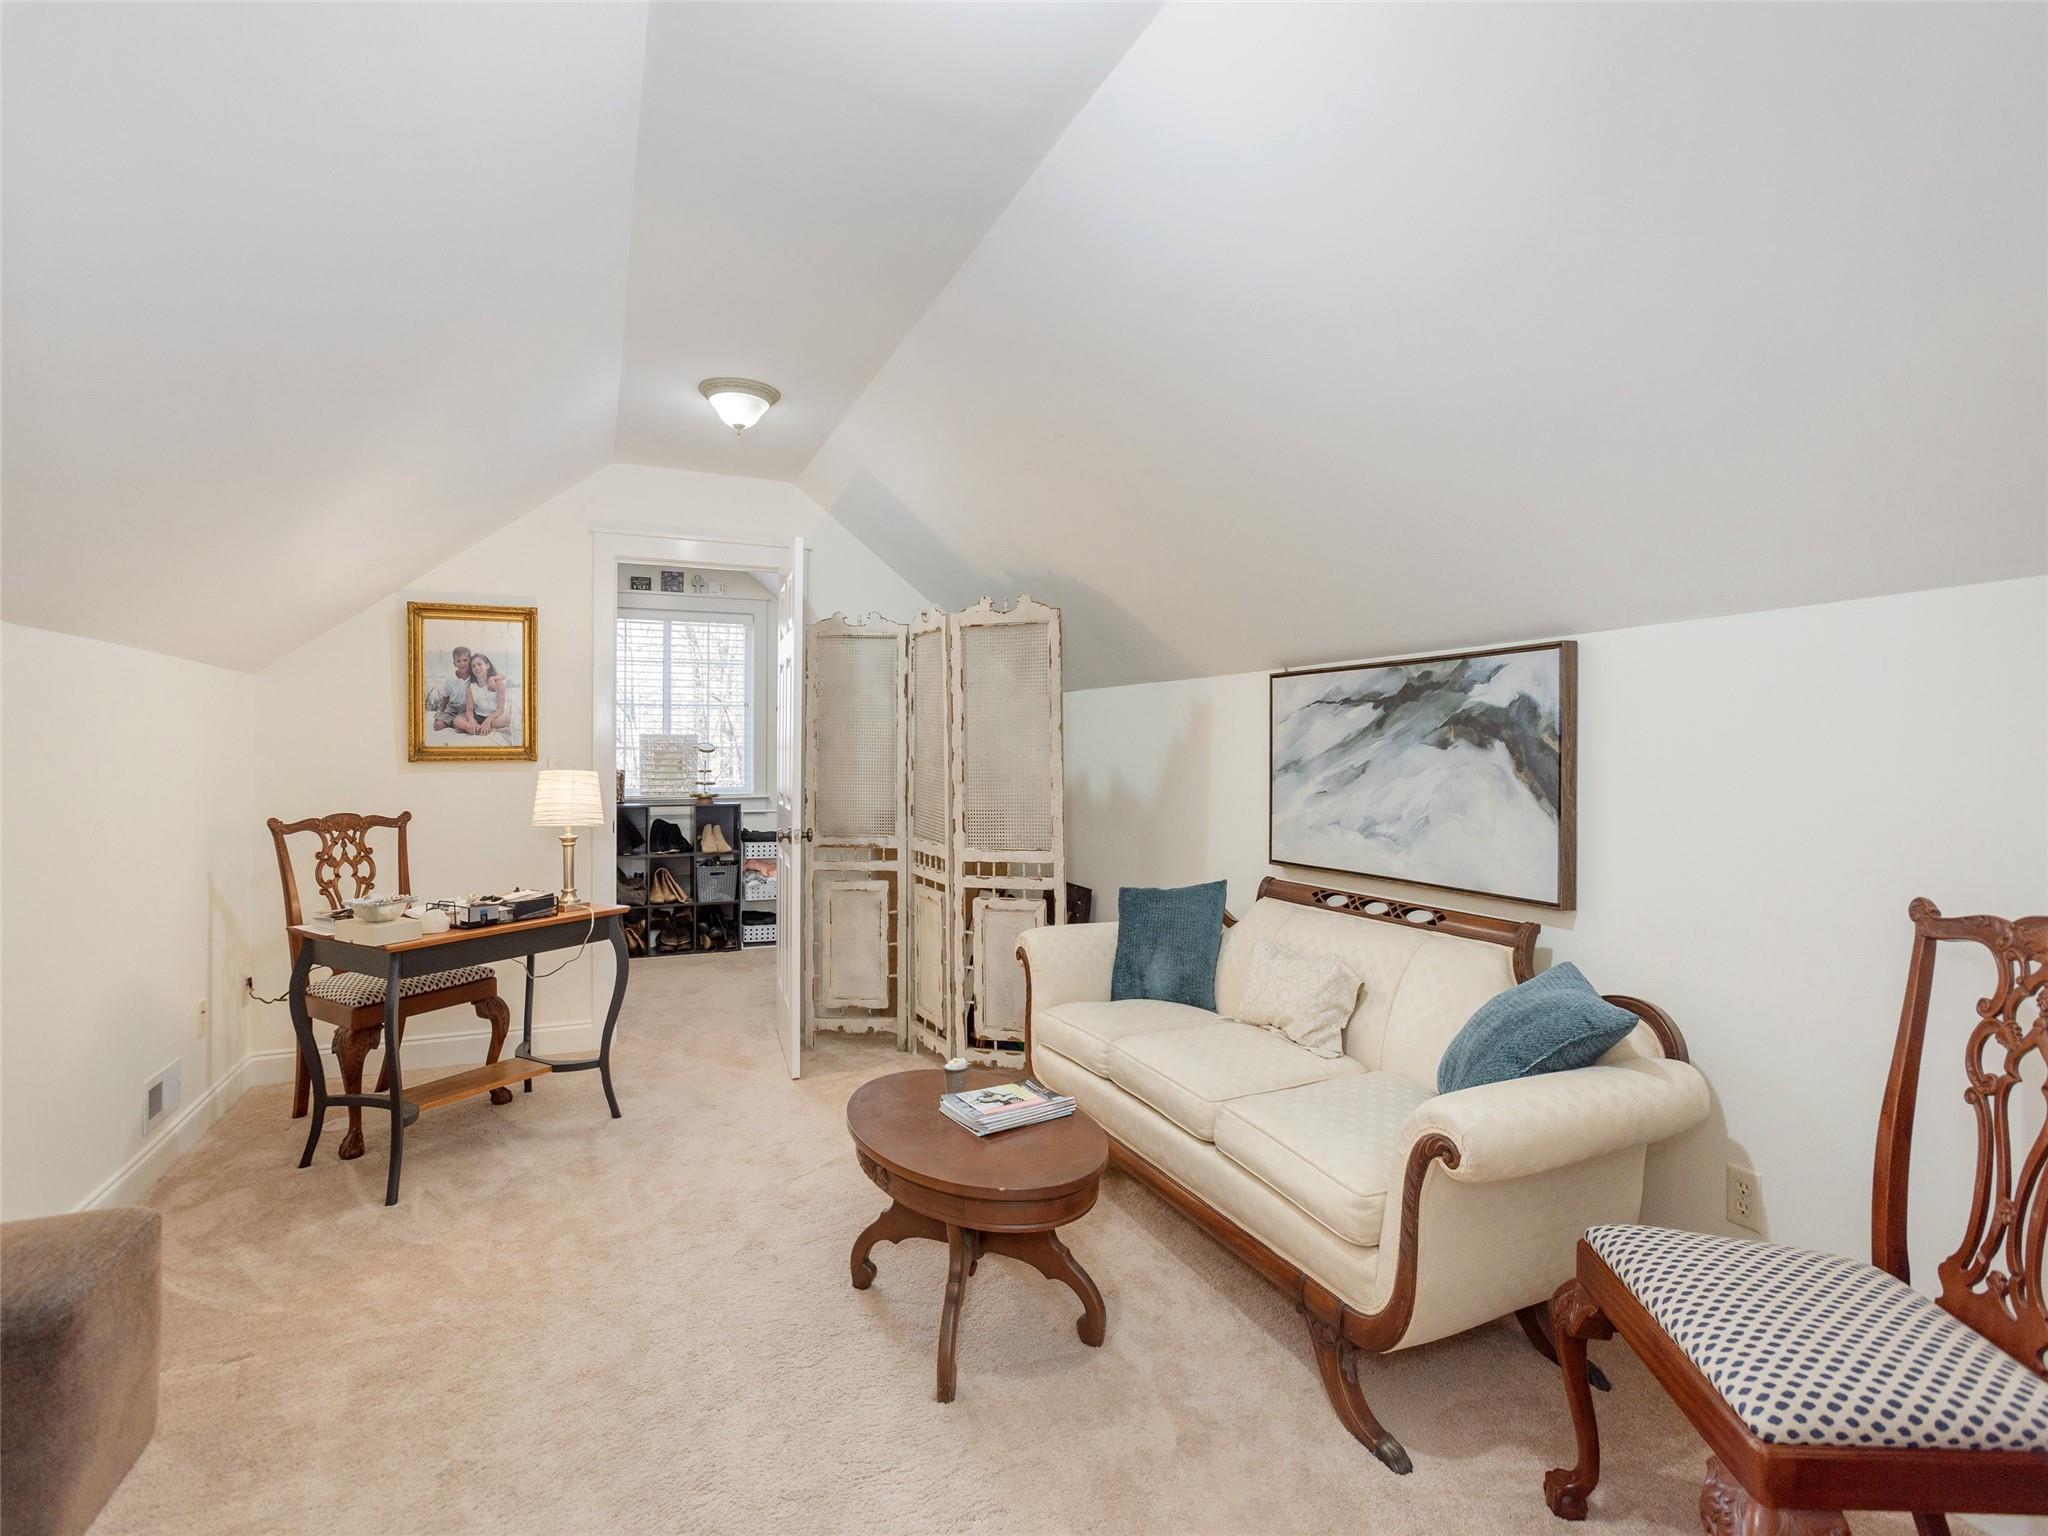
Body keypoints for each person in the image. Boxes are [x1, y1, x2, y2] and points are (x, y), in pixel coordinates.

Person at [457, 652, 513, 737]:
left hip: (494, 717)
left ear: (487, 666)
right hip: (478, 717)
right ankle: (479, 728)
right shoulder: (471, 687)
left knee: (506, 720)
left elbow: (500, 709)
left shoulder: (498, 683)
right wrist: (471, 720)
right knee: (457, 720)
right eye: (473, 666)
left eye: (479, 664)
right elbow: (469, 709)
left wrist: (488, 721)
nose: (477, 668)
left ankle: (476, 729)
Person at [430, 645, 472, 733]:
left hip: (467, 709)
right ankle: (450, 721)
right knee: (438, 726)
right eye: (458, 661)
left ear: (470, 660)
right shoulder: (450, 679)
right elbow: (445, 698)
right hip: (452, 707)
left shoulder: (474, 677)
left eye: (465, 660)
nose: (462, 663)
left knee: (458, 724)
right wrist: (441, 713)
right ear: (454, 663)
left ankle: (454, 722)